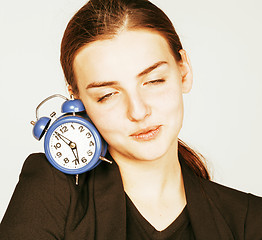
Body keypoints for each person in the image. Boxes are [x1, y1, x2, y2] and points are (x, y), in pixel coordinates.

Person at [0, 0, 261, 239]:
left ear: (184, 71)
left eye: (154, 81)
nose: (138, 112)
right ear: (77, 101)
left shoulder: (249, 219)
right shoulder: (53, 190)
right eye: (107, 95)